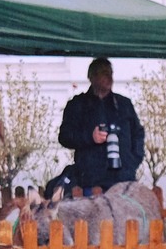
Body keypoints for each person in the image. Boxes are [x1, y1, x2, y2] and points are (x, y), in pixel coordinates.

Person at [56, 57, 144, 191]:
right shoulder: (78, 105)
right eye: (103, 73)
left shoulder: (124, 104)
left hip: (123, 178)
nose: (108, 77)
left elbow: (138, 134)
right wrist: (90, 137)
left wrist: (133, 161)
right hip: (90, 180)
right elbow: (65, 137)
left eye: (110, 73)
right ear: (91, 77)